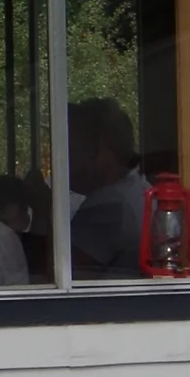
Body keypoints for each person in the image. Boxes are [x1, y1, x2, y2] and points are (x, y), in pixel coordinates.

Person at [68, 99, 146, 280]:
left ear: (103, 150)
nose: (66, 159)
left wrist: (44, 212)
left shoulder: (108, 205)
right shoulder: (137, 188)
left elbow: (60, 278)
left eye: (73, 148)